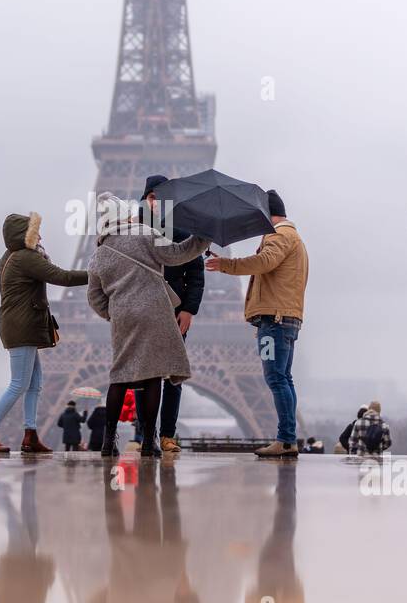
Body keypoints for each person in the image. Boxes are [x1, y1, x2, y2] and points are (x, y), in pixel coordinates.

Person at [87, 195, 209, 458]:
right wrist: (202, 237)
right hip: (155, 311)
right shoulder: (146, 234)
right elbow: (177, 254)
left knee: (120, 376)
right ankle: (149, 442)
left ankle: (108, 441)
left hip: (123, 317)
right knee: (153, 375)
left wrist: (113, 313)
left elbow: (94, 297)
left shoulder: (100, 251)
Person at [205, 190, 308, 459]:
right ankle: (287, 438)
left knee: (275, 378)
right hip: (285, 318)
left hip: (272, 321)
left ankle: (285, 440)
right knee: (283, 378)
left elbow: (265, 262)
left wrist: (225, 264)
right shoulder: (294, 237)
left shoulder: (279, 235)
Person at [0, 211, 88, 454]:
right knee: (19, 384)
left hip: (19, 325)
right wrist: (97, 275)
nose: (40, 235)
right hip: (22, 327)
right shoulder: (25, 258)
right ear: (25, 235)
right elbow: (63, 277)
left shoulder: (9, 257)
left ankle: (30, 435)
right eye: (36, 231)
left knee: (35, 384)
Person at [132, 174, 206, 455]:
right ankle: (145, 434)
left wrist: (189, 309)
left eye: (161, 198)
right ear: (145, 199)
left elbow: (196, 273)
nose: (156, 203)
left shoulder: (181, 229)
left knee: (173, 377)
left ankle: (167, 435)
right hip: (142, 311)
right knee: (141, 376)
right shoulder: (131, 229)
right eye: (152, 197)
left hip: (174, 312)